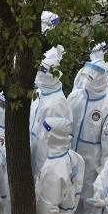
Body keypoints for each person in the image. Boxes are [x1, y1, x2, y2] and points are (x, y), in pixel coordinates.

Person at [67, 60, 108, 214]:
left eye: (91, 77)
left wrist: (103, 170)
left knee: (91, 203)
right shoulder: (75, 96)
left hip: (92, 160)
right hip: (74, 156)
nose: (87, 81)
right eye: (85, 76)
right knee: (75, 200)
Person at [30, 46, 72, 176]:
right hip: (33, 149)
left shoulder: (57, 103)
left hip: (45, 157)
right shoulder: (39, 93)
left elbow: (56, 140)